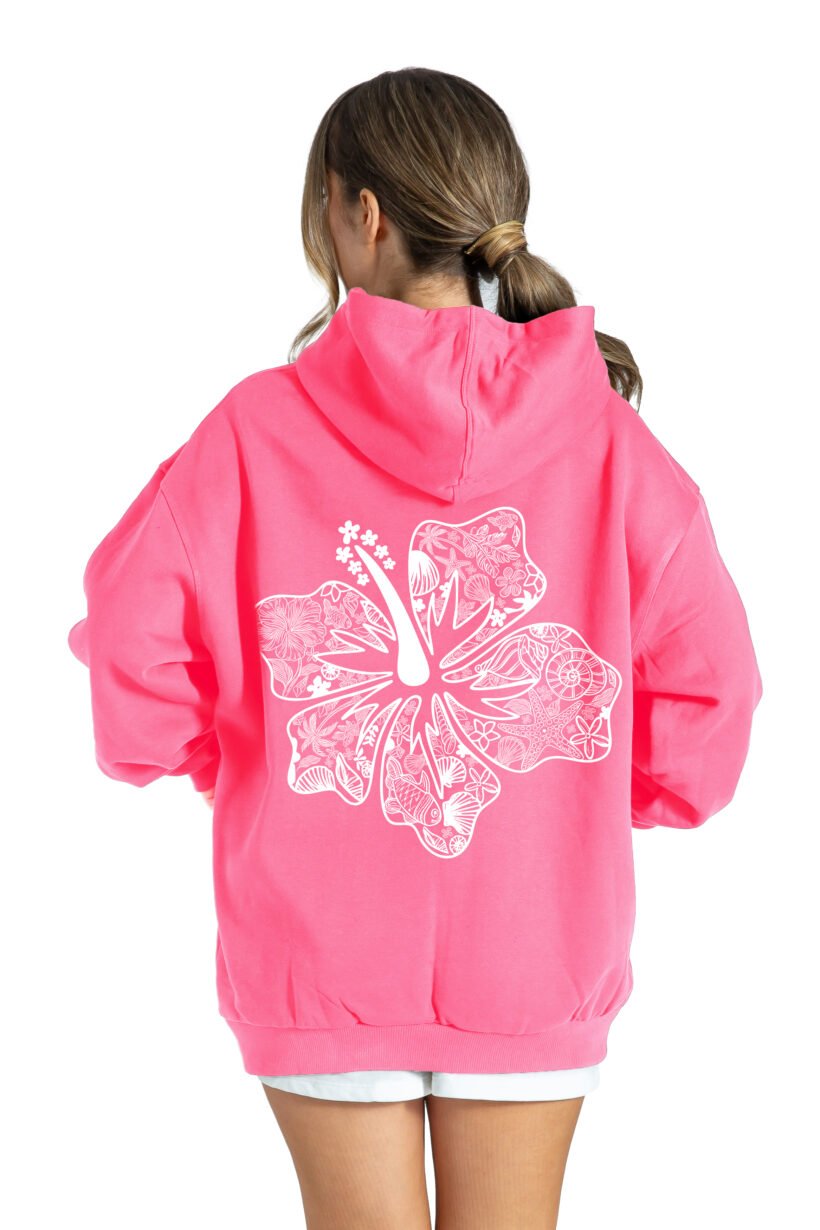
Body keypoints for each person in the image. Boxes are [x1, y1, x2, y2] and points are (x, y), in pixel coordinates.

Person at [66, 67, 764, 1230]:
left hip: (315, 949)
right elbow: (712, 696)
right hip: (537, 945)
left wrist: (229, 761)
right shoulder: (606, 441)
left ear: (361, 214)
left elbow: (131, 646)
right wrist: (592, 797)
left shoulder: (252, 430)